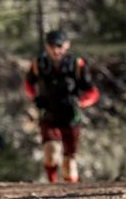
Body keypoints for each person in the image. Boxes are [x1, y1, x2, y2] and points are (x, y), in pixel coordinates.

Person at [24, 28, 99, 182]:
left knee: (69, 162)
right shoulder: (38, 64)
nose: (55, 49)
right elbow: (28, 84)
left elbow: (93, 92)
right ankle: (53, 186)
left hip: (70, 117)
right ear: (46, 46)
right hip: (48, 115)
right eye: (52, 45)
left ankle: (69, 196)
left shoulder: (77, 64)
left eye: (59, 45)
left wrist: (81, 103)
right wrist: (35, 97)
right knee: (50, 153)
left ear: (67, 45)